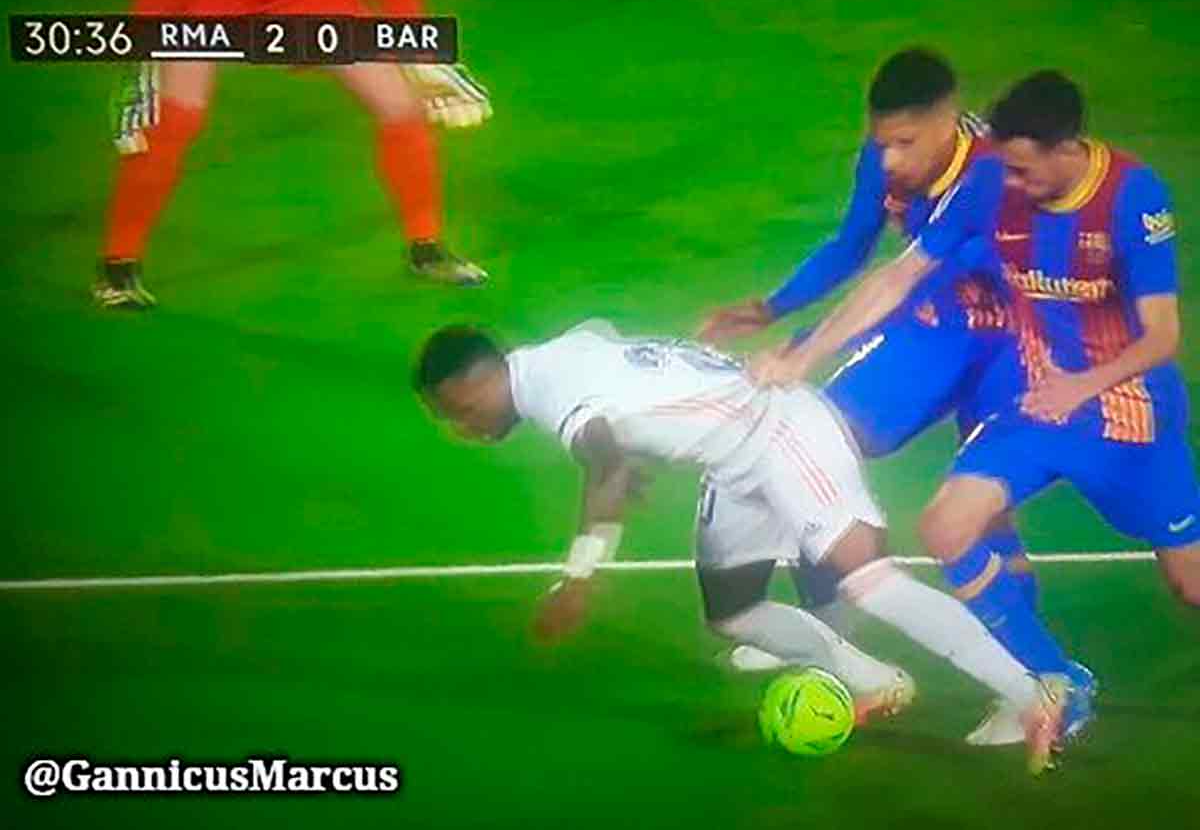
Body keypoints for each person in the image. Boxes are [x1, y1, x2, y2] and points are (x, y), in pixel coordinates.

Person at [751, 70, 1199, 742]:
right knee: (946, 525)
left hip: (1130, 415)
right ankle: (1056, 685)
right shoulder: (993, 183)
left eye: (1021, 170)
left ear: (1065, 148)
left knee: (1190, 583)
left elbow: (1163, 335)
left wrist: (1081, 386)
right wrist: (803, 354)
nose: (1007, 184)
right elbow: (898, 276)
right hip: (1038, 405)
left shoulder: (1132, 195)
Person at [414, 320, 1068, 774]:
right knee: (731, 611)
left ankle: (1030, 697)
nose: (462, 425)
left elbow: (604, 467)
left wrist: (579, 579)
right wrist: (630, 444)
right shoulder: (553, 354)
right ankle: (872, 679)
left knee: (867, 580)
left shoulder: (554, 396)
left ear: (476, 383)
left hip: (781, 431)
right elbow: (604, 339)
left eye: (456, 411)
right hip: (733, 462)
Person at [699, 50, 1091, 742]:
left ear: (948, 119)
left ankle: (1050, 686)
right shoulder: (885, 159)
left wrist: (803, 352)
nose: (889, 160)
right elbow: (853, 245)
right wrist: (771, 307)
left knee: (981, 514)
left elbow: (904, 277)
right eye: (881, 142)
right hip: (941, 322)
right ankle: (826, 631)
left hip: (1013, 343)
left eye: (905, 142)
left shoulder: (992, 171)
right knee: (813, 447)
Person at [95, 0, 489, 309]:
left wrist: (418, 49)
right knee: (170, 121)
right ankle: (118, 265)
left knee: (402, 109)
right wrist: (141, 50)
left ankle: (426, 248)